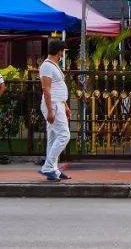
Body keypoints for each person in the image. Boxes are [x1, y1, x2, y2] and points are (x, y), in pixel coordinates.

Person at [39, 39, 72, 181]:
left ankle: (54, 170)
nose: (63, 53)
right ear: (59, 51)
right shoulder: (47, 66)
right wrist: (51, 109)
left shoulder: (53, 65)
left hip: (58, 103)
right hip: (52, 104)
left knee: (53, 138)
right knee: (64, 135)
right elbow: (46, 89)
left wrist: (65, 105)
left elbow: (57, 88)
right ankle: (48, 167)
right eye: (63, 51)